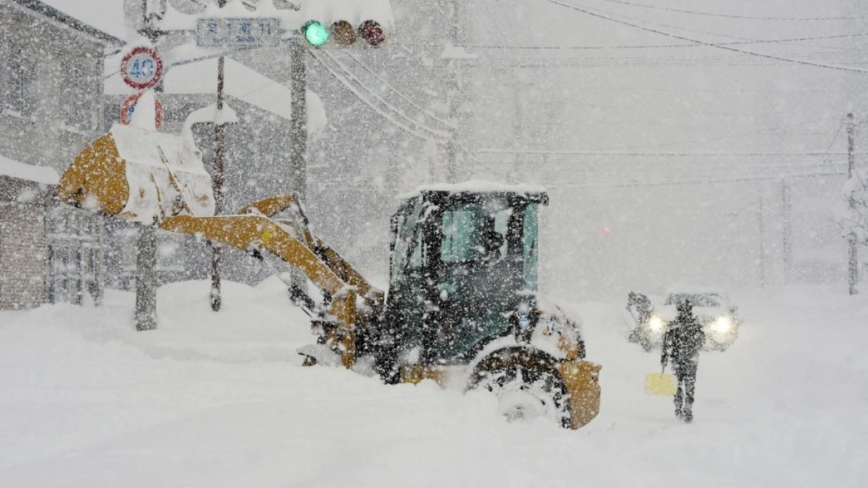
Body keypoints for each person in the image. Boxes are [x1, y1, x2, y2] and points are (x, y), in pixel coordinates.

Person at [660, 298, 705, 423]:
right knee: (689, 386)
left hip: (677, 359)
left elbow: (666, 343)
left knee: (677, 385)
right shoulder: (695, 325)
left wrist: (664, 357)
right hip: (690, 359)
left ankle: (679, 408)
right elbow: (701, 341)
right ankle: (687, 408)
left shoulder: (674, 325)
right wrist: (692, 348)